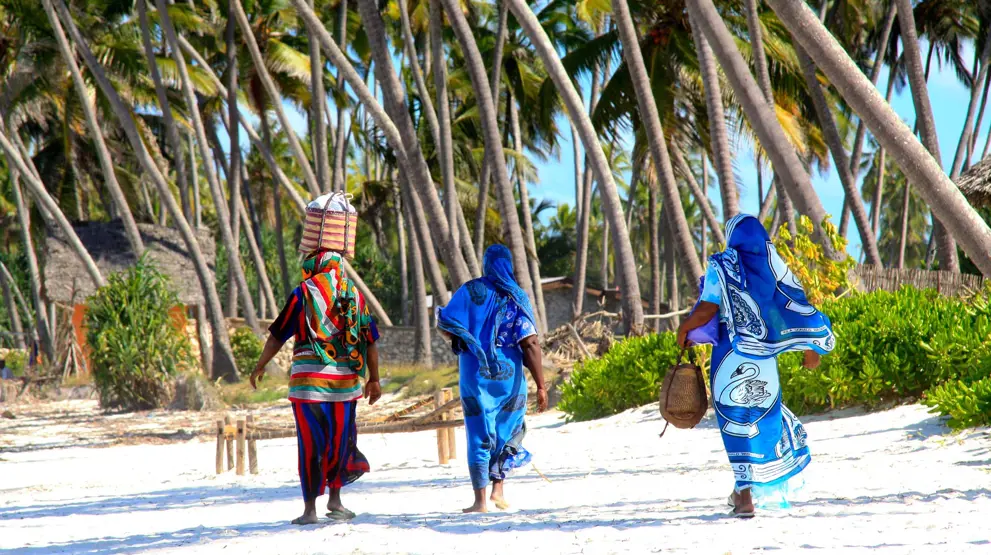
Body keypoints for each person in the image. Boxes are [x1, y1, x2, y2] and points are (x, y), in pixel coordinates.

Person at [677, 214, 834, 519]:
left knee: (735, 421)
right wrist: (808, 346)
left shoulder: (721, 265)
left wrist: (684, 329)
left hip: (729, 355)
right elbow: (792, 307)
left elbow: (708, 307)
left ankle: (745, 496)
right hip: (762, 360)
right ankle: (745, 490)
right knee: (762, 417)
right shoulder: (774, 268)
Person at [250, 248, 381, 525]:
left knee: (310, 444)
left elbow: (277, 334)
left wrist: (260, 364)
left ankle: (310, 510)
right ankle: (335, 500)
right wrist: (375, 379)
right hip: (345, 385)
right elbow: (370, 340)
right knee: (340, 440)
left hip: (307, 386)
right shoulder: (354, 295)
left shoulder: (303, 293)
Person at [437, 244, 548, 513]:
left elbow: (446, 325)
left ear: (485, 264)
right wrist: (541, 386)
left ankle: (480, 501)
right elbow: (530, 343)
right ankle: (499, 488)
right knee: (507, 429)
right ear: (509, 264)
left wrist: (469, 340)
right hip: (509, 378)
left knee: (478, 432)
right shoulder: (517, 296)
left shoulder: (469, 290)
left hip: (475, 375)